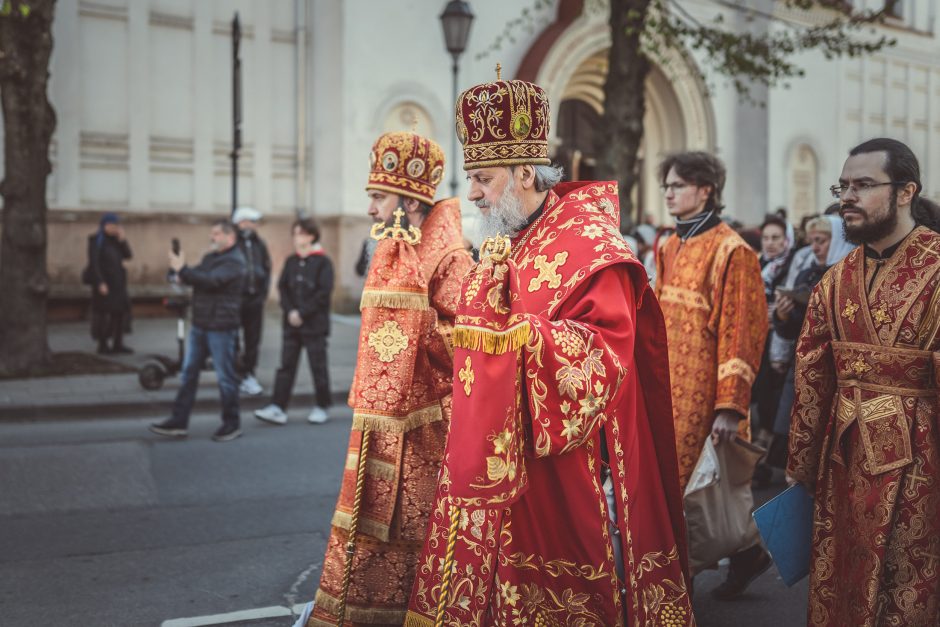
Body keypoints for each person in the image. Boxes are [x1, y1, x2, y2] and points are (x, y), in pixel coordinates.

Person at [406, 72, 693, 626]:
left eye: (484, 179)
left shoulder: (590, 243)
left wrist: (520, 339)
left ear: (524, 173)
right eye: (473, 178)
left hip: (555, 464)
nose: (474, 194)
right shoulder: (506, 237)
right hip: (486, 451)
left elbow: (606, 354)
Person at [305, 131, 473, 627]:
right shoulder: (389, 251)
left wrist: (418, 328)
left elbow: (469, 342)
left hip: (425, 429)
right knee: (370, 524)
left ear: (407, 199)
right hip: (378, 422)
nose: (373, 209)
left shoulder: (452, 259)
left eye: (379, 197)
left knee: (416, 528)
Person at [787, 137, 940, 626]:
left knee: (908, 586)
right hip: (843, 460)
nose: (846, 196)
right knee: (842, 583)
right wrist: (800, 467)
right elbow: (812, 376)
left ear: (904, 191)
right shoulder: (835, 279)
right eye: (844, 185)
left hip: (921, 464)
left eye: (863, 185)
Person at [653, 151, 770, 599]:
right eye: (666, 185)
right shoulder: (668, 244)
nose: (668, 192)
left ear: (705, 190)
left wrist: (729, 406)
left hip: (704, 396)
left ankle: (673, 590)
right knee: (680, 486)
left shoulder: (732, 251)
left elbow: (741, 332)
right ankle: (745, 555)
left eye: (677, 185)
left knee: (690, 488)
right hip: (667, 389)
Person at [149, 221, 246, 442]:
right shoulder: (211, 258)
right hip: (200, 325)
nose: (212, 237)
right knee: (188, 374)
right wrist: (178, 273)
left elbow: (211, 281)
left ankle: (232, 424)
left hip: (221, 328)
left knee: (225, 377)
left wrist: (183, 269)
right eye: (212, 233)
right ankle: (178, 421)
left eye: (217, 233)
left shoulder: (235, 262)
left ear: (230, 237)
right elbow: (196, 276)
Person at [254, 219, 334, 425]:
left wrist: (302, 313)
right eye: (295, 233)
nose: (296, 238)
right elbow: (283, 288)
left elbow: (323, 294)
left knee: (318, 366)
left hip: (314, 325)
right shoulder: (291, 261)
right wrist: (290, 311)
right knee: (286, 366)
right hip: (291, 324)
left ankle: (321, 406)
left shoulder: (323, 263)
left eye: (300, 233)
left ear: (311, 236)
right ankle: (278, 407)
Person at [751, 215, 796, 450]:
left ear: (786, 239)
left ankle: (770, 438)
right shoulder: (760, 264)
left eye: (776, 237)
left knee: (774, 388)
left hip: (781, 338)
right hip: (759, 334)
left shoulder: (792, 265)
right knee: (761, 386)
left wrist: (777, 313)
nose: (770, 243)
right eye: (766, 238)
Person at [231, 206, 272, 396]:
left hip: (255, 300)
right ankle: (236, 373)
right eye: (252, 221)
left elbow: (266, 267)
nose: (255, 225)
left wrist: (262, 294)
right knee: (233, 339)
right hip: (235, 300)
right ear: (241, 223)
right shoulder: (232, 242)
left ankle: (249, 374)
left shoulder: (259, 243)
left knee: (253, 339)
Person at [85, 213, 132, 354]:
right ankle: (103, 344)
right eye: (111, 225)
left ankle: (118, 343)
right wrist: (100, 282)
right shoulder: (96, 241)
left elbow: (128, 256)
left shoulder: (117, 241)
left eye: (116, 225)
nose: (114, 228)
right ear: (104, 225)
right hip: (105, 283)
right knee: (104, 315)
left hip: (118, 283)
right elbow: (94, 263)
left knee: (120, 314)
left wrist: (123, 240)